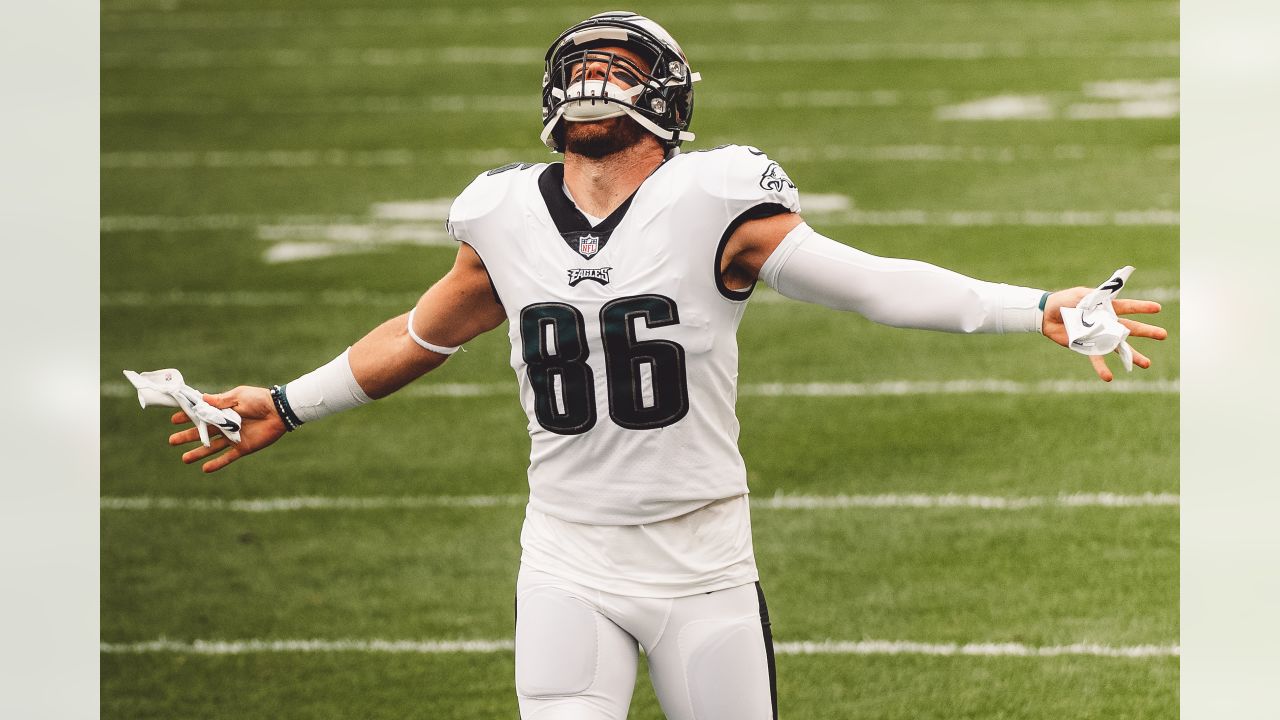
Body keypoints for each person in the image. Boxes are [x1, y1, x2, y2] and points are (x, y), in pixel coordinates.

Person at [163, 11, 1167, 720]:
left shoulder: (710, 201)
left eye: (618, 63)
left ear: (664, 101)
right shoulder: (502, 218)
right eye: (586, 61)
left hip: (702, 561)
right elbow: (422, 332)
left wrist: (1033, 306)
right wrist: (287, 406)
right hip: (566, 555)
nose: (599, 76)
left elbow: (867, 283)